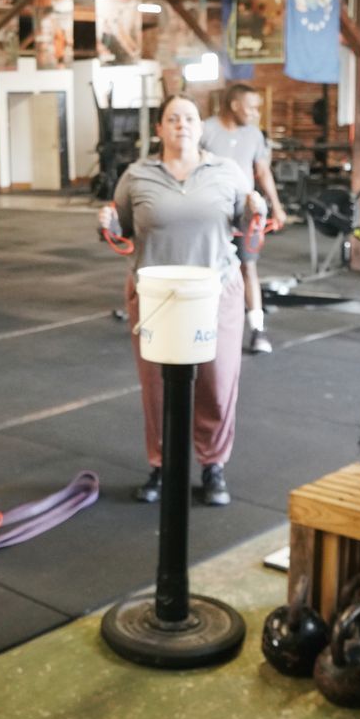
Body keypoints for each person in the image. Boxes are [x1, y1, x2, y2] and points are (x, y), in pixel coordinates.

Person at [101, 94, 265, 507]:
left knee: (217, 380)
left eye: (189, 118)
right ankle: (161, 465)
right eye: (173, 119)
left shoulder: (225, 172)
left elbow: (246, 228)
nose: (182, 125)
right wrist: (104, 223)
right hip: (156, 295)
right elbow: (120, 227)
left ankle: (213, 466)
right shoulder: (137, 175)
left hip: (215, 290)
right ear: (159, 129)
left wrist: (255, 210)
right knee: (156, 387)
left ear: (200, 126)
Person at [200, 82, 285, 354]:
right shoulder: (206, 130)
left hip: (246, 214)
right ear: (235, 105)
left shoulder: (255, 136)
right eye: (251, 107)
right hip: (212, 215)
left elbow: (262, 172)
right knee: (207, 271)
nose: (255, 113)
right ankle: (203, 328)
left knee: (248, 268)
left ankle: (258, 330)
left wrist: (277, 205)